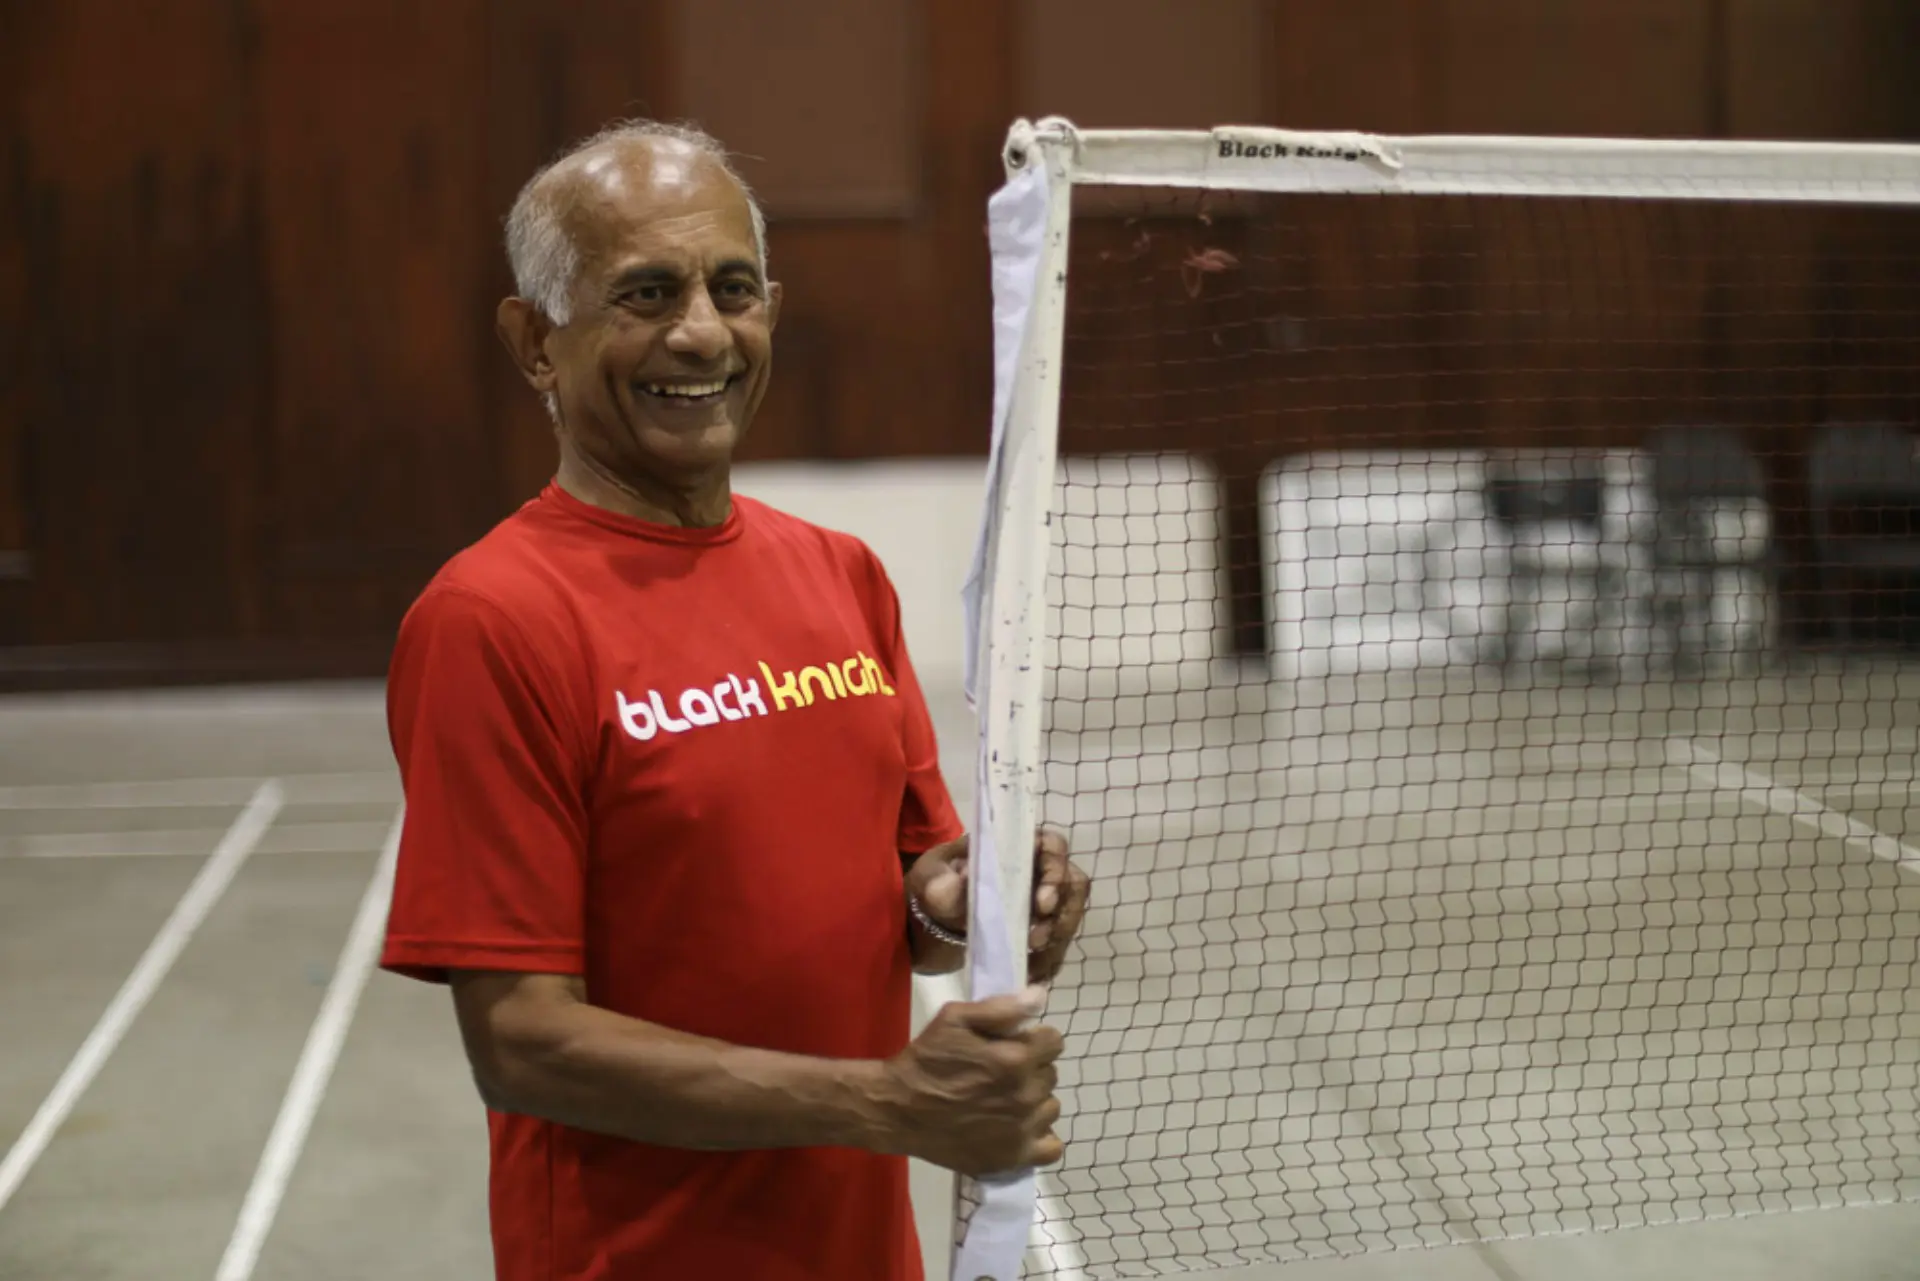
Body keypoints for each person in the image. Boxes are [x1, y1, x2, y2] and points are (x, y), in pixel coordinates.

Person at [378, 118, 1092, 1281]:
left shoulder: (839, 574)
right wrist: (891, 1104)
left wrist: (979, 905)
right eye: (645, 292)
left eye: (733, 287)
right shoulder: (492, 619)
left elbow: (911, 912)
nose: (700, 331)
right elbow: (522, 1042)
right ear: (535, 341)